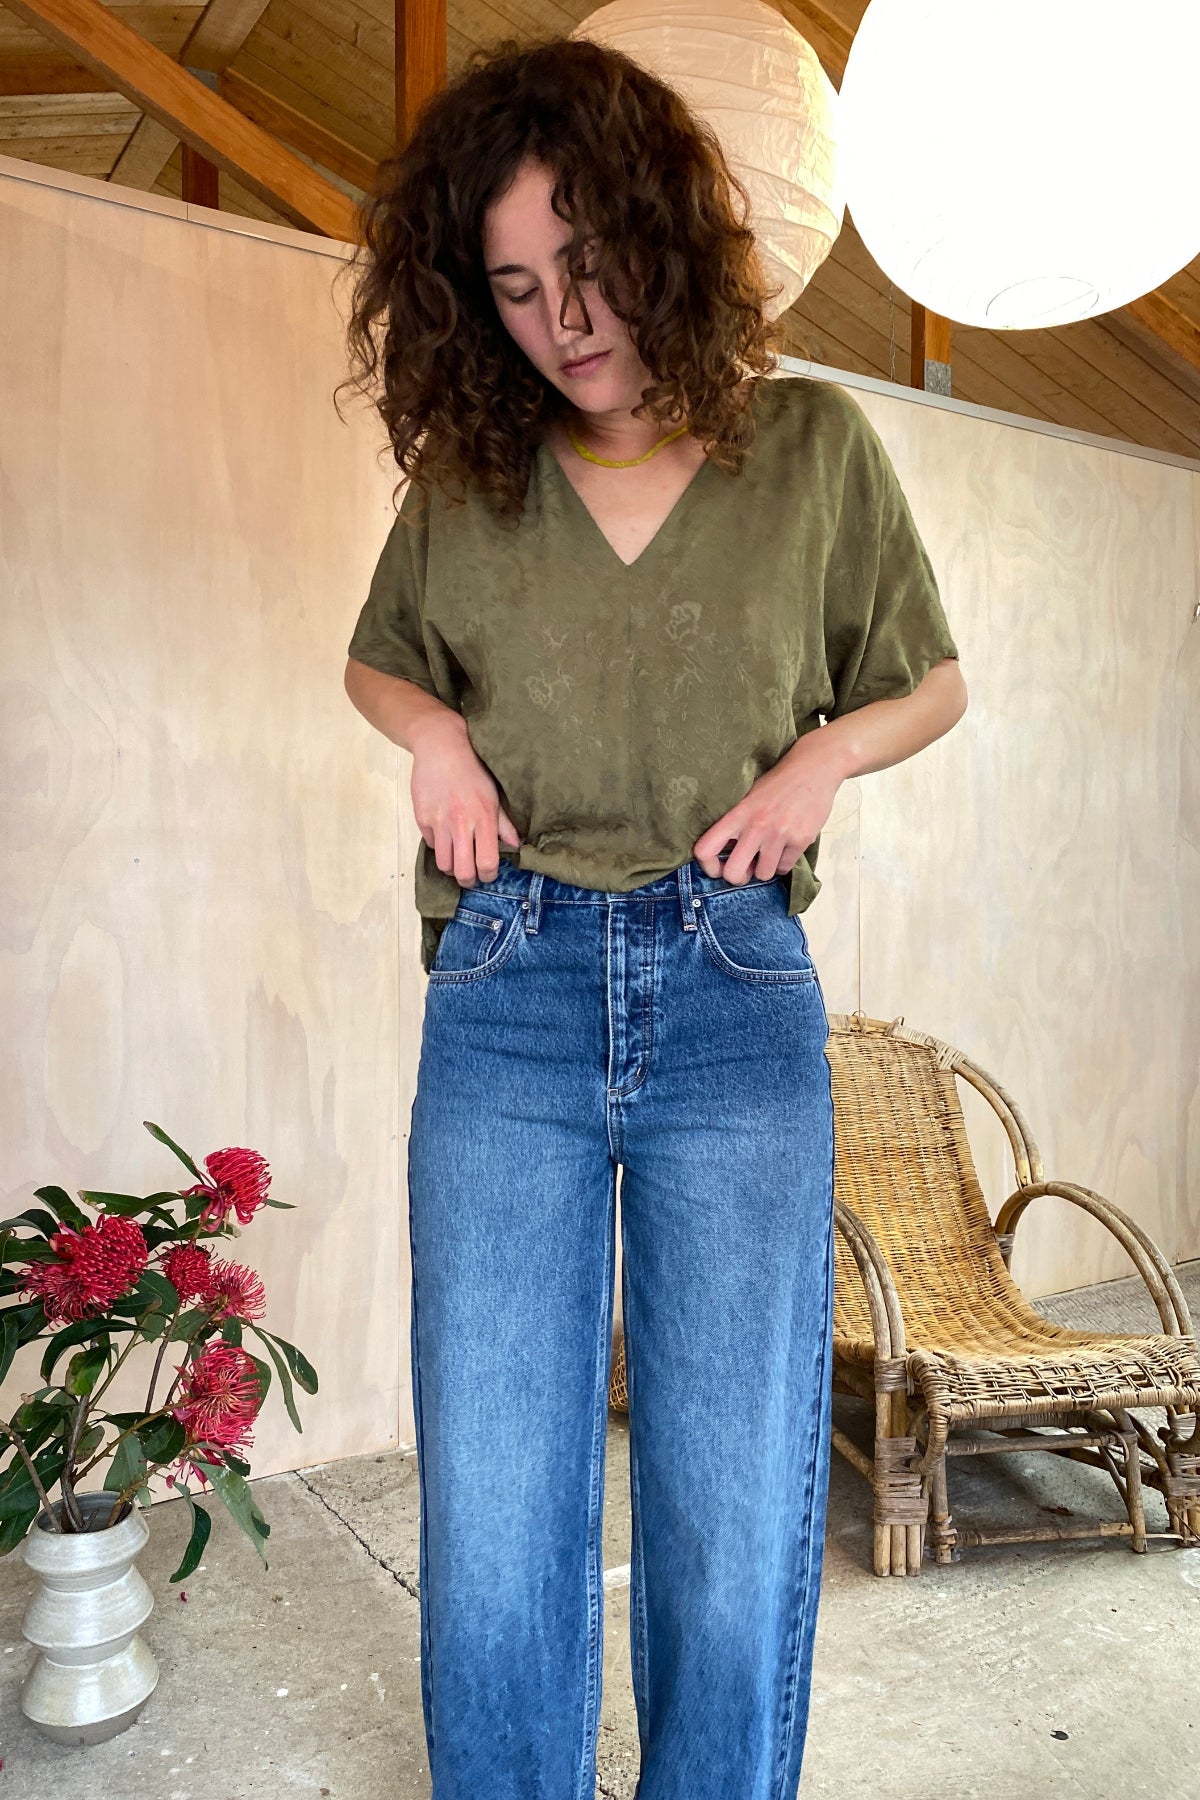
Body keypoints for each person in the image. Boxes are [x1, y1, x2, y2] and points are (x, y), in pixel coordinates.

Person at [338, 34, 967, 1800]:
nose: (564, 320)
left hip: (730, 987)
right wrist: (434, 738)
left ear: (662, 233)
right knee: (497, 1486)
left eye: (589, 262)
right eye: (514, 288)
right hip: (508, 986)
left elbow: (929, 680)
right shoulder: (473, 475)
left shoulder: (813, 447)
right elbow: (379, 662)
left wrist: (824, 759)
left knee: (735, 1483)